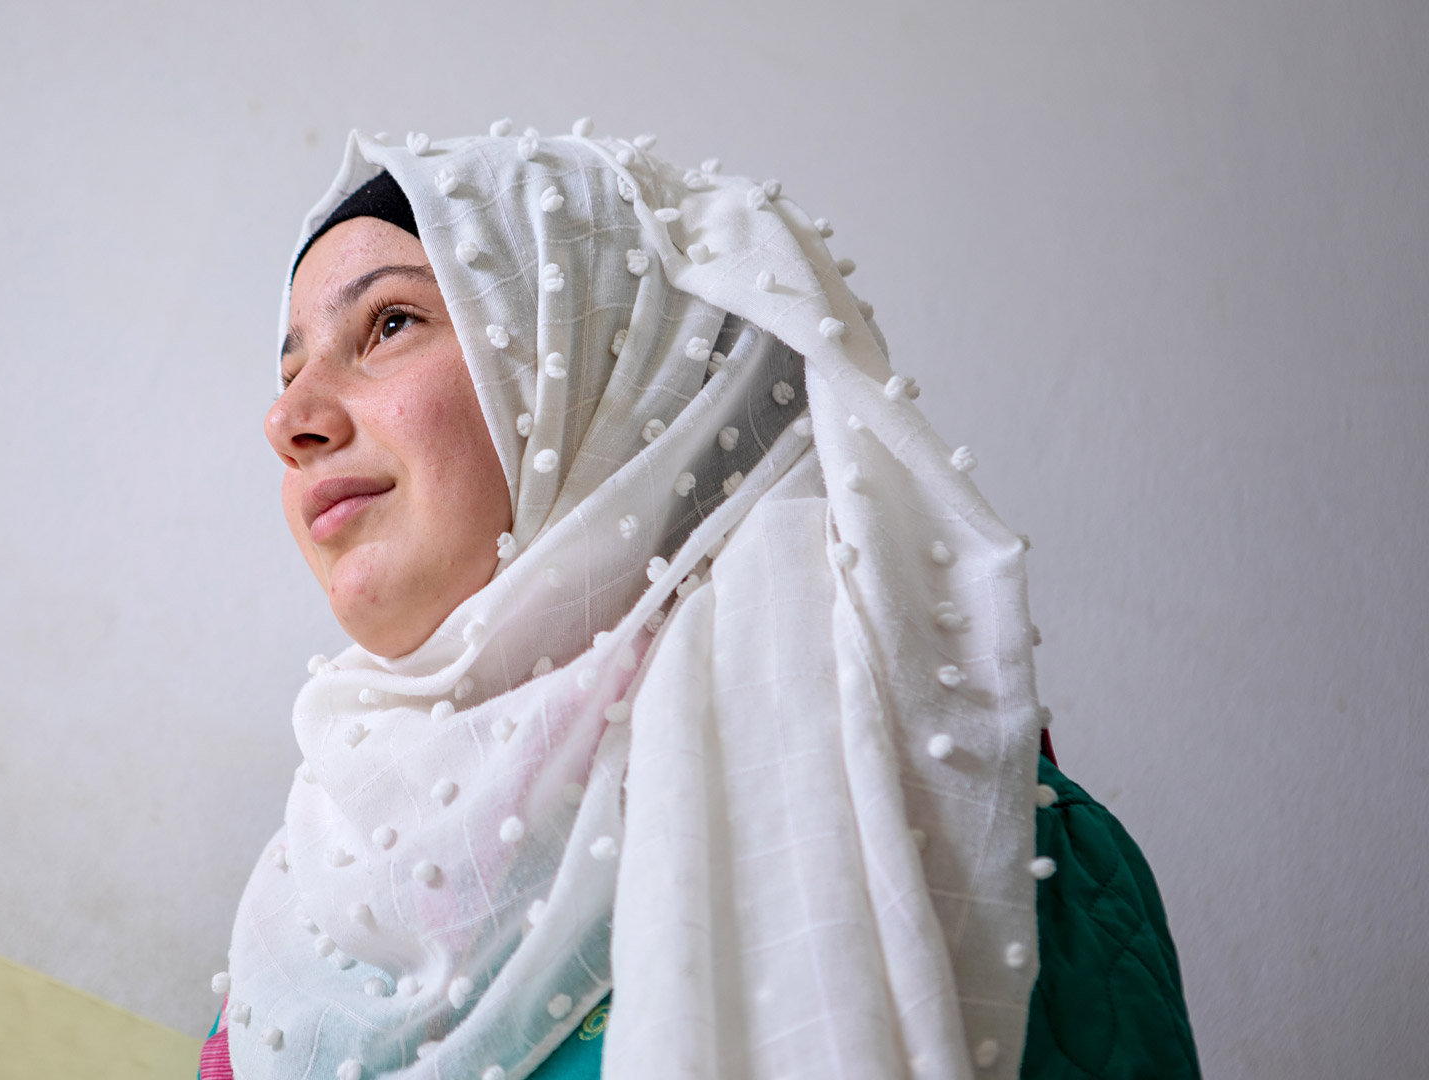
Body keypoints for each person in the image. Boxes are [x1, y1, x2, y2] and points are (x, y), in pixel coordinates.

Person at [199, 121, 1199, 1080]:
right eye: (288, 372)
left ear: (614, 379)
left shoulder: (989, 849)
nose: (290, 419)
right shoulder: (306, 926)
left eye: (391, 324)